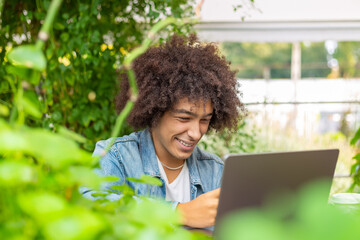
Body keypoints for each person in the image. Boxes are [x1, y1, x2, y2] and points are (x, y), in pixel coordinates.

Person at [91, 34, 244, 229]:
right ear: (155, 111)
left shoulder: (215, 170)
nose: (196, 133)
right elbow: (93, 207)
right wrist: (177, 212)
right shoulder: (115, 156)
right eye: (184, 118)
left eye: (204, 120)